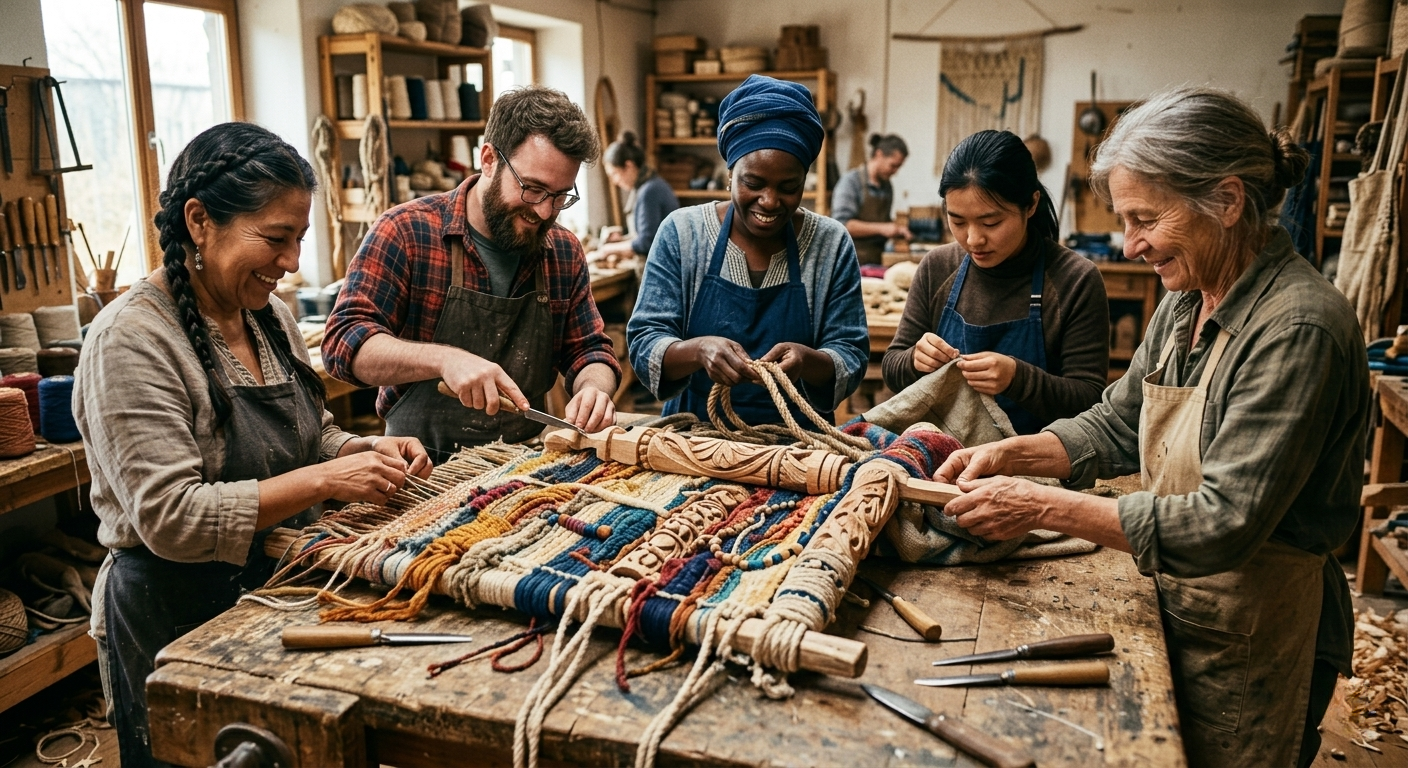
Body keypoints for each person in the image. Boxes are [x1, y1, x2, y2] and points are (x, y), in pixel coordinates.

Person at [934, 89, 1367, 768]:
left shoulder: (1297, 328)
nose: (1131, 245)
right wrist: (1011, 453)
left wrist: (1040, 504)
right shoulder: (1189, 296)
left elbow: (1223, 521)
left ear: (1225, 201)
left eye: (1144, 219)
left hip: (1251, 629)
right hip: (1178, 601)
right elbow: (1119, 416)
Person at [73, 123, 432, 766]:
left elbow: (311, 434)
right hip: (174, 614)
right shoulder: (130, 341)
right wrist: (324, 483)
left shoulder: (270, 318)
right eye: (275, 238)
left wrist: (359, 452)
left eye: (298, 239)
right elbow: (170, 518)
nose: (292, 262)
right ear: (199, 221)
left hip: (276, 588)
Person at [322, 86, 621, 460]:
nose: (545, 212)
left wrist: (594, 387)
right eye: (533, 189)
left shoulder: (561, 250)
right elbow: (343, 343)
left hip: (522, 465)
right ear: (489, 159)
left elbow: (589, 349)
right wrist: (445, 360)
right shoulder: (406, 232)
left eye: (560, 197)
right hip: (419, 466)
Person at [627, 74, 867, 426]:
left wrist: (807, 360)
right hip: (695, 438)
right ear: (729, 173)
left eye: (789, 187)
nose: (769, 201)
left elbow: (851, 353)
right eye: (752, 183)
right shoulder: (682, 233)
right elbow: (645, 342)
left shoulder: (830, 243)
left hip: (798, 445)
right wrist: (697, 350)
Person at [883, 130, 1108, 434]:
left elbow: (1089, 400)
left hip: (1033, 467)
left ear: (1030, 205)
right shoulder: (937, 267)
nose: (974, 239)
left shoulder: (1075, 279)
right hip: (941, 457)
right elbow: (893, 366)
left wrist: (1019, 379)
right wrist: (914, 360)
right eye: (958, 221)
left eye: (991, 223)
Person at [594, 130, 679, 264]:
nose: (615, 181)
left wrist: (608, 249)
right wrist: (621, 240)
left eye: (615, 174)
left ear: (629, 166)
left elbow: (646, 242)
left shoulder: (649, 191)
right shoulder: (652, 184)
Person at [832, 133, 911, 264]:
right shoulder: (851, 182)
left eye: (898, 167)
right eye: (893, 165)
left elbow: (883, 221)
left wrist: (897, 229)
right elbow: (842, 225)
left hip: (876, 259)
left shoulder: (887, 186)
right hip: (849, 261)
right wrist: (882, 228)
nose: (895, 171)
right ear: (879, 155)